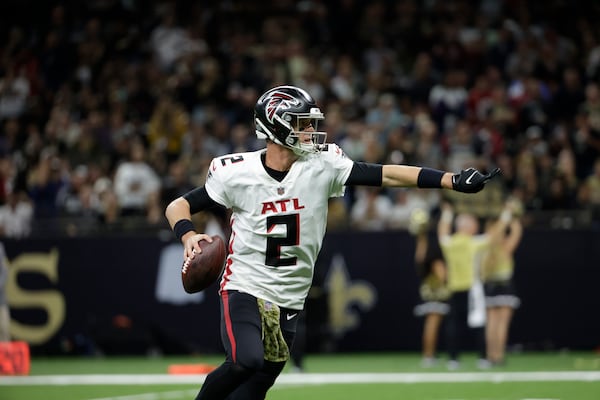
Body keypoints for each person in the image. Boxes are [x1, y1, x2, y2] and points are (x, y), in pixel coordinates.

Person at [165, 85, 499, 400]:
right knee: (245, 360)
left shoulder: (323, 165)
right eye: (301, 124)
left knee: (253, 390)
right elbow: (177, 205)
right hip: (246, 285)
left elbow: (385, 174)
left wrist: (450, 180)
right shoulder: (236, 171)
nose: (310, 131)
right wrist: (188, 234)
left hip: (290, 297)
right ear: (276, 128)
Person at [437, 201, 512, 370]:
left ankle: (453, 358)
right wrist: (506, 215)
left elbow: (442, 232)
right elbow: (494, 235)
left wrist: (447, 214)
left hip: (454, 287)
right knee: (478, 323)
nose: (476, 226)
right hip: (472, 288)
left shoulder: (450, 242)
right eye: (474, 223)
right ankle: (483, 357)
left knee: (453, 324)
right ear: (467, 226)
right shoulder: (473, 243)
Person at [481, 200, 523, 366]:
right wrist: (511, 214)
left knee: (491, 323)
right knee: (501, 324)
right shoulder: (503, 246)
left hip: (490, 285)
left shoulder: (483, 247)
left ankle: (491, 356)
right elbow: (517, 231)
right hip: (504, 284)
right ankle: (498, 356)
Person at [409, 208, 450, 368]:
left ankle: (429, 354)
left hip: (427, 286)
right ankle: (428, 355)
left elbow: (419, 262)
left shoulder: (422, 243)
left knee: (431, 322)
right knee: (433, 322)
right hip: (435, 288)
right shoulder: (433, 247)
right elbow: (440, 273)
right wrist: (446, 282)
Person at [0, 242, 10, 341]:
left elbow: (5, 271)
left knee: (4, 329)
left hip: (1, 300)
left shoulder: (0, 247)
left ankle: (5, 355)